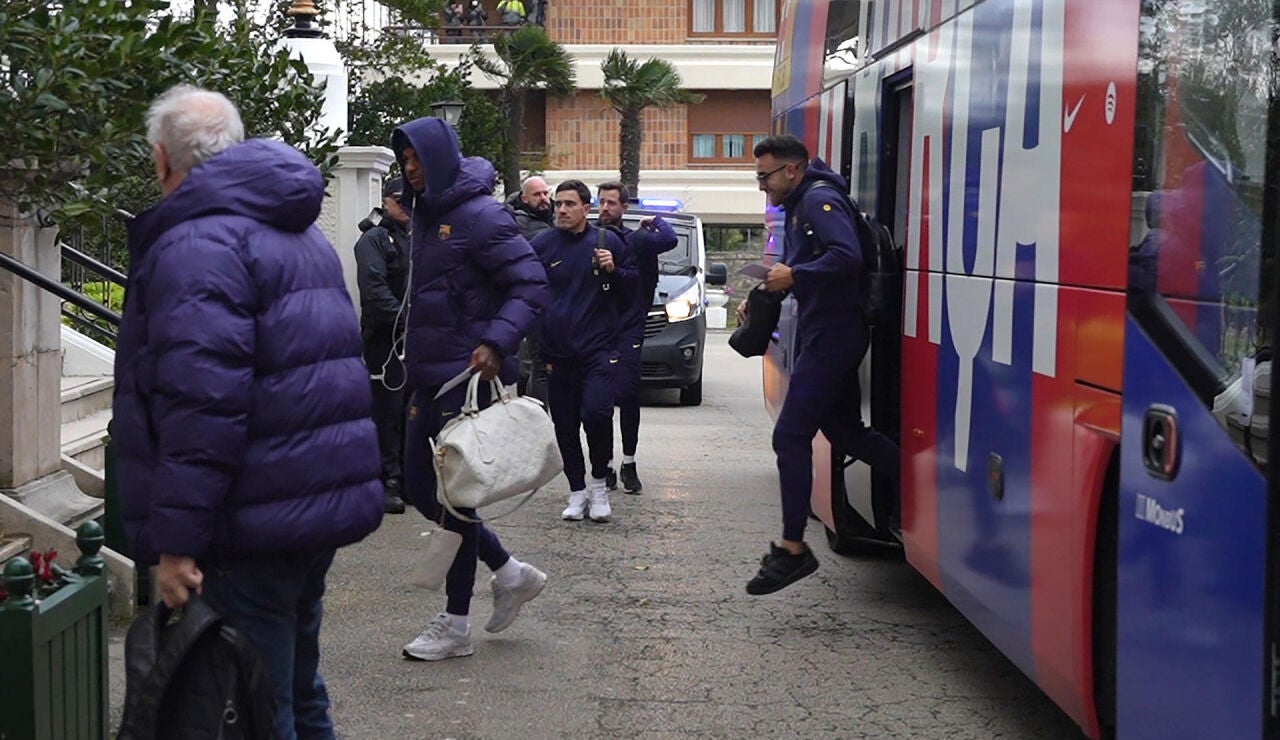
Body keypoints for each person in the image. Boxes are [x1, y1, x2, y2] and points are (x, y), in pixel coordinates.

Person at [112, 84, 384, 739]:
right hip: (307, 511)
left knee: (260, 707)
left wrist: (177, 545)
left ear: (161, 159)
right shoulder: (296, 231)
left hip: (246, 526)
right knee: (297, 688)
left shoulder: (197, 245)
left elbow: (202, 408)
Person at [392, 116, 551, 661]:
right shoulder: (424, 213)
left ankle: (456, 623)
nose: (410, 170)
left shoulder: (480, 216)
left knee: (454, 501)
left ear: (439, 158)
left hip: (469, 380)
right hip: (428, 377)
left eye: (417, 159)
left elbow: (531, 284)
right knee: (418, 487)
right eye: (404, 160)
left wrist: (496, 341)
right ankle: (510, 572)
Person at [743, 134, 900, 595]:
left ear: (791, 170)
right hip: (825, 332)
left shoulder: (818, 200)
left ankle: (793, 550)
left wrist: (795, 274)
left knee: (790, 435)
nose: (762, 186)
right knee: (849, 433)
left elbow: (846, 257)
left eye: (765, 176)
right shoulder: (803, 203)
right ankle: (924, 488)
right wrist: (774, 288)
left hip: (834, 336)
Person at [530, 180, 635, 523]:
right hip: (556, 353)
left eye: (569, 204)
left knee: (596, 413)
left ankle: (599, 485)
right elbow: (523, 285)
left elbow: (635, 287)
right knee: (564, 424)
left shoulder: (607, 241)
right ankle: (576, 490)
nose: (560, 210)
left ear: (586, 209)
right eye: (558, 204)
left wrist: (614, 270)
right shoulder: (543, 244)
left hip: (598, 350)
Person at [596, 182, 677, 494]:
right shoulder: (591, 238)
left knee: (628, 395)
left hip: (629, 328)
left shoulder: (638, 240)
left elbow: (668, 239)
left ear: (624, 207)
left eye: (612, 203)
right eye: (602, 202)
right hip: (597, 330)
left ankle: (629, 462)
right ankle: (604, 465)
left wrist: (654, 220)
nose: (605, 208)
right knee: (599, 401)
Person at [354, 175, 412, 515]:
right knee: (387, 410)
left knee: (410, 409)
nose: (404, 206)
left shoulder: (416, 236)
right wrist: (404, 320)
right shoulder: (374, 239)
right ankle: (386, 480)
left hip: (414, 338)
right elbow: (374, 290)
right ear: (385, 200)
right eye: (398, 199)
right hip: (384, 338)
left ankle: (406, 477)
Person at [506, 176, 554, 403]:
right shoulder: (521, 224)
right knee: (539, 365)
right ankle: (537, 418)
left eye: (546, 193)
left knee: (536, 365)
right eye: (537, 195)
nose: (544, 199)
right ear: (524, 198)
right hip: (534, 301)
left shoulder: (549, 219)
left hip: (546, 301)